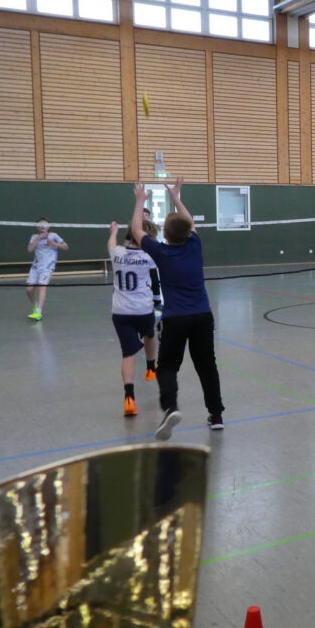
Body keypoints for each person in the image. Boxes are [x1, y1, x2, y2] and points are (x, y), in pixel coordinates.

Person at [131, 179, 225, 440]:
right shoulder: (195, 244)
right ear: (187, 232)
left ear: (165, 234)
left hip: (176, 319)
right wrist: (176, 197)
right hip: (202, 316)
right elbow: (189, 221)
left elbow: (136, 229)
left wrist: (140, 200)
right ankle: (216, 415)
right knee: (207, 366)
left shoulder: (160, 252)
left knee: (167, 366)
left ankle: (171, 407)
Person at [107, 221, 158, 417]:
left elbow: (111, 243)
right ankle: (151, 367)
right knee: (150, 334)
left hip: (121, 312)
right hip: (143, 309)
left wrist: (113, 232)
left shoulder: (117, 253)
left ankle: (129, 398)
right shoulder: (149, 256)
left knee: (128, 354)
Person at [25, 216, 69, 321]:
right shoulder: (34, 237)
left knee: (41, 287)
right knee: (29, 289)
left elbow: (66, 247)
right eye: (40, 224)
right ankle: (36, 305)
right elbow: (29, 249)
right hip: (35, 267)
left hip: (48, 267)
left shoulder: (54, 235)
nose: (42, 226)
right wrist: (39, 238)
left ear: (48, 226)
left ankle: (38, 312)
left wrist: (54, 244)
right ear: (36, 227)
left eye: (45, 224)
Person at [143, 204, 163, 313]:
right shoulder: (136, 228)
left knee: (155, 281)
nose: (144, 217)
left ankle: (157, 302)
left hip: (151, 260)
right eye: (142, 215)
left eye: (146, 215)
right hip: (140, 261)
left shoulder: (152, 228)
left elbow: (155, 241)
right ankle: (144, 302)